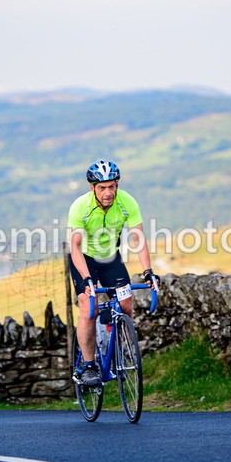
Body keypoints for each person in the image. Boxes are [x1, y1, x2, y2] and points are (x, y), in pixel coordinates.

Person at [67, 160, 160, 387]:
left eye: (112, 186)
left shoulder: (127, 202)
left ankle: (117, 351)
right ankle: (88, 366)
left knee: (126, 304)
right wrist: (86, 278)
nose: (108, 193)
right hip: (84, 260)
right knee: (89, 309)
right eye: (102, 187)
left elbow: (138, 238)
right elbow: (75, 247)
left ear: (117, 184)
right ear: (92, 188)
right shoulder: (80, 207)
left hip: (111, 259)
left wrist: (148, 272)